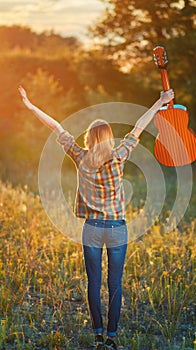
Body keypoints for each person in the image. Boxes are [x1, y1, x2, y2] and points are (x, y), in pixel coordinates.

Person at [18, 86, 174, 349]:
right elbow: (138, 127)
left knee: (94, 283)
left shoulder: (80, 156)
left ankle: (98, 336)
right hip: (116, 228)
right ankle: (112, 338)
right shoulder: (118, 157)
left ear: (89, 138)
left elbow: (56, 127)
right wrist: (159, 103)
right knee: (115, 285)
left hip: (91, 228)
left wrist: (31, 106)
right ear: (109, 138)